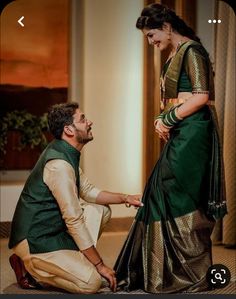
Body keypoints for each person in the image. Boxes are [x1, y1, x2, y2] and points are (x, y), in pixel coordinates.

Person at [114, 3, 227, 294]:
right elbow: (176, 99)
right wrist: (162, 118)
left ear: (166, 27)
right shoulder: (176, 54)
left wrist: (167, 118)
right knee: (161, 192)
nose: (152, 43)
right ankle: (162, 273)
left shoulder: (193, 50)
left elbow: (201, 96)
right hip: (182, 130)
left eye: (152, 36)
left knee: (180, 193)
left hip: (194, 132)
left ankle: (193, 273)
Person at [8, 102, 142, 294]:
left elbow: (88, 191)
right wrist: (100, 265)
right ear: (68, 129)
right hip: (37, 239)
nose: (90, 122)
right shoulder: (59, 165)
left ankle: (71, 262)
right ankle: (30, 267)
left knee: (101, 210)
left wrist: (126, 197)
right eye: (83, 119)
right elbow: (73, 219)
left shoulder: (65, 152)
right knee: (91, 283)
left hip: (54, 230)